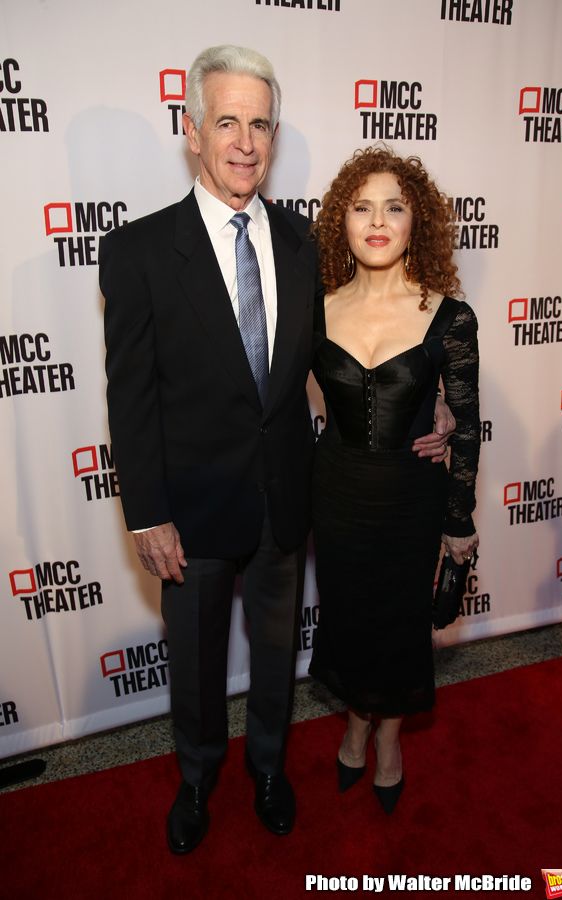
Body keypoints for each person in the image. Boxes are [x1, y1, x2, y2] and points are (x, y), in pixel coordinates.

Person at [100, 47, 453, 853]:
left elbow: (357, 343)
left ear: (274, 135)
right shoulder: (139, 251)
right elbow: (131, 396)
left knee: (274, 656)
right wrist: (146, 513)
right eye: (227, 121)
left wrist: (427, 402)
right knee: (194, 663)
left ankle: (267, 768)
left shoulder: (306, 244)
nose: (245, 141)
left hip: (288, 498)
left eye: (259, 124)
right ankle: (196, 780)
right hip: (189, 510)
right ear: (193, 131)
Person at [309, 146, 480, 814]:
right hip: (337, 492)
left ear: (418, 222)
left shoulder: (450, 318)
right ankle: (357, 721)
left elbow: (465, 426)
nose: (377, 221)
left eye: (394, 207)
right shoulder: (315, 309)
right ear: (342, 222)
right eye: (362, 207)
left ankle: (387, 739)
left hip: (413, 495)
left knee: (401, 620)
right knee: (350, 615)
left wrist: (459, 524)